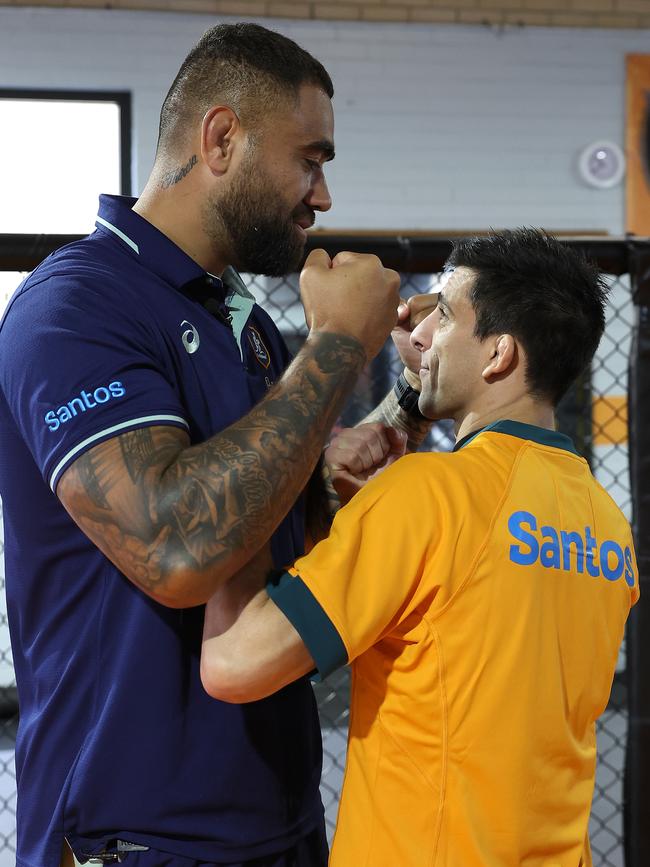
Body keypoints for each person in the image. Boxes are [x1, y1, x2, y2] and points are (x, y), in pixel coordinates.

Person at [0, 23, 414, 867]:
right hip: (135, 836)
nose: (322, 195)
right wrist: (335, 347)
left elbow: (247, 525)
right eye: (310, 158)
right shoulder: (74, 307)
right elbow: (176, 544)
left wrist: (326, 480)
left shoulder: (245, 325)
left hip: (274, 817)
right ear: (221, 137)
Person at [201, 228, 640, 867]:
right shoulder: (605, 525)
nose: (424, 333)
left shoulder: (429, 495)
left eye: (446, 316)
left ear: (498, 356)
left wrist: (245, 489)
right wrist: (419, 382)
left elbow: (234, 665)